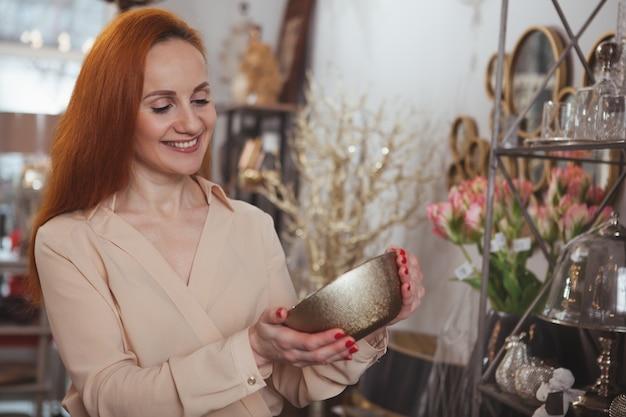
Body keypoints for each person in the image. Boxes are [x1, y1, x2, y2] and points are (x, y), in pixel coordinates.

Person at [25, 8, 425, 417]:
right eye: (162, 106)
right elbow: (108, 396)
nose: (192, 122)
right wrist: (250, 348)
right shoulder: (69, 241)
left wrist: (370, 313)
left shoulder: (252, 224)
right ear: (114, 115)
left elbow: (294, 380)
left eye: (201, 99)